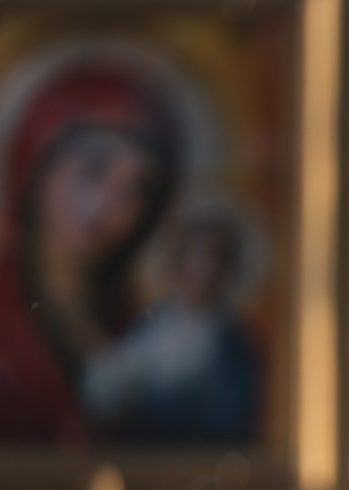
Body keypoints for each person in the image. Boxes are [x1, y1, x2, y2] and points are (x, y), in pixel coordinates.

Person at [0, 60, 181, 441]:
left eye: (134, 190)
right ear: (35, 164)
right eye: (92, 171)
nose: (105, 205)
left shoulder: (138, 323)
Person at [81, 203, 261, 443]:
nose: (204, 269)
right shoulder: (150, 325)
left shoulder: (233, 342)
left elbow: (230, 419)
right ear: (178, 262)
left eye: (214, 257)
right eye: (195, 256)